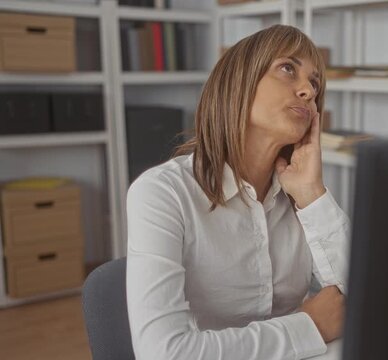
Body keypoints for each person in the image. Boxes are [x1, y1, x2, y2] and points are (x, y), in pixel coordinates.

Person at [126, 24, 349, 360]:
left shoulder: (299, 194)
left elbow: (365, 298)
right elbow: (165, 354)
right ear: (239, 82)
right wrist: (310, 325)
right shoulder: (162, 193)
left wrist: (312, 194)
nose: (307, 90)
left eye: (315, 83)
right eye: (288, 68)